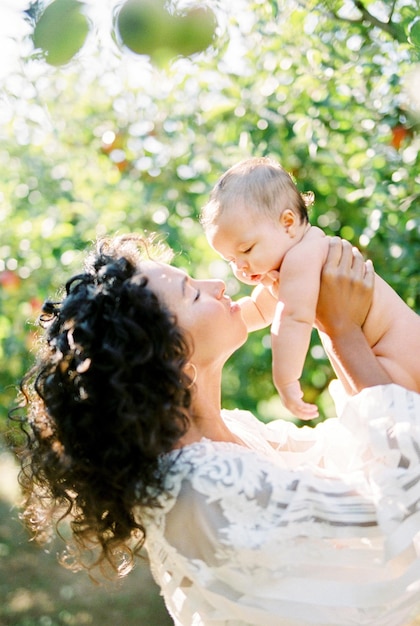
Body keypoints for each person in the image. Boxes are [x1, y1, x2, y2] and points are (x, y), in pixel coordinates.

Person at [13, 233, 420, 626]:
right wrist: (343, 332)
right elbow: (399, 516)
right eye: (192, 292)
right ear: (170, 360)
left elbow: (355, 457)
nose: (218, 284)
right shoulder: (200, 486)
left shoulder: (232, 437)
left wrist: (335, 321)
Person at [201, 156, 420, 419]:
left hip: (401, 356)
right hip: (394, 355)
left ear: (288, 223)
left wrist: (286, 380)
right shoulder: (290, 269)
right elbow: (260, 310)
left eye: (246, 249)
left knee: (387, 423)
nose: (241, 267)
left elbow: (291, 317)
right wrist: (222, 320)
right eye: (231, 260)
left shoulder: (303, 256)